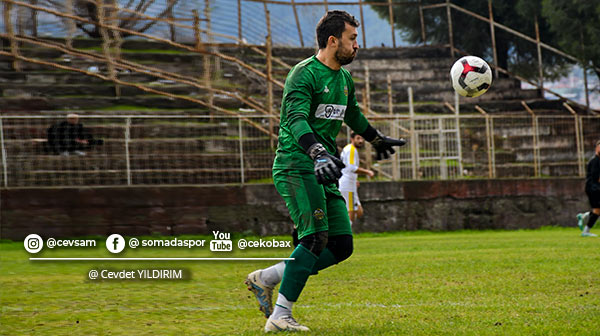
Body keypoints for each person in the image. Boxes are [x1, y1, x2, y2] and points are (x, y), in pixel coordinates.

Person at [244, 10, 406, 332]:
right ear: (333, 41)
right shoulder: (303, 74)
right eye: (352, 38)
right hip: (297, 164)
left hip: (324, 168)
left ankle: (267, 278)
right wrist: (317, 151)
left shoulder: (344, 78)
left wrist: (375, 138)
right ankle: (280, 317)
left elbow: (353, 115)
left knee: (341, 245)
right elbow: (296, 120)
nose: (357, 45)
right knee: (315, 237)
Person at [339, 132, 375, 224]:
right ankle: (345, 235)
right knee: (350, 212)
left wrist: (355, 179)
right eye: (358, 138)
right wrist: (367, 172)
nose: (361, 141)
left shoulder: (350, 149)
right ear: (352, 139)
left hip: (350, 182)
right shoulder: (351, 149)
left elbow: (346, 167)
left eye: (362, 139)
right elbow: (351, 167)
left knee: (359, 211)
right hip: (347, 184)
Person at [576, 139, 600, 237]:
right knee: (597, 210)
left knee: (597, 210)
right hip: (593, 188)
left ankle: (584, 216)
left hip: (596, 188)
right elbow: (596, 178)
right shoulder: (595, 161)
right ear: (597, 148)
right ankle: (586, 230)